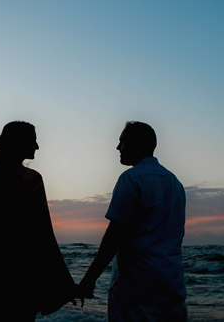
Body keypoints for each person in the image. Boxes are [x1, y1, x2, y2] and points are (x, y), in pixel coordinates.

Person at [0, 121, 76, 321]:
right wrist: (64, 284)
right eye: (33, 142)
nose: (37, 147)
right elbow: (45, 234)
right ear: (19, 144)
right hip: (22, 270)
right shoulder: (32, 179)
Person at [78, 121, 187, 321]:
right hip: (172, 285)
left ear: (137, 144)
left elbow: (114, 235)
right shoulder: (175, 182)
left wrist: (88, 280)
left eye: (122, 142)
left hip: (137, 287)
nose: (118, 148)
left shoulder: (131, 179)